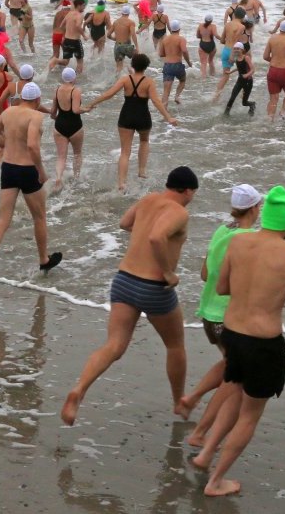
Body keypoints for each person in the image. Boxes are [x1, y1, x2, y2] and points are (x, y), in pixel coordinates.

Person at [191, 187, 285, 497]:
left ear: (266, 215)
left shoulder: (239, 242)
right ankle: (216, 480)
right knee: (249, 414)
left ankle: (206, 455)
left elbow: (220, 286)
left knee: (233, 392)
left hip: (232, 335)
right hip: (263, 345)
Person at [61, 166, 200, 426]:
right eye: (193, 193)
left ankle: (79, 390)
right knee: (175, 345)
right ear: (188, 190)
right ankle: (179, 402)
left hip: (124, 281)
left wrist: (144, 232)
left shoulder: (148, 199)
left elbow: (125, 223)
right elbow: (157, 238)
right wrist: (168, 272)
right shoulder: (179, 212)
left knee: (113, 346)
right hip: (154, 287)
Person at [180, 184, 263, 448]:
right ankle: (201, 431)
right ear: (253, 208)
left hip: (208, 313)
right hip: (228, 318)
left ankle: (192, 398)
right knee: (236, 375)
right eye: (259, 205)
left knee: (229, 363)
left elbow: (204, 274)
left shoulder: (221, 230)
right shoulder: (249, 239)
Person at [0, 82, 63, 287]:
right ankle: (44, 260)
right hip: (27, 170)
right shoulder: (35, 116)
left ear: (22, 97)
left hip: (8, 168)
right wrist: (41, 171)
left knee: (3, 219)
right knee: (39, 217)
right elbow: (33, 146)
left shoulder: (8, 112)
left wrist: (9, 146)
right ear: (38, 99)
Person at [84, 53, 178, 191]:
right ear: (146, 67)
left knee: (125, 152)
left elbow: (109, 93)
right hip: (143, 117)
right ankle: (141, 171)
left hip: (126, 116)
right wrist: (168, 117)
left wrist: (92, 103)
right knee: (144, 141)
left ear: (133, 65)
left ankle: (122, 182)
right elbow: (156, 101)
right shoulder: (149, 82)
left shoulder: (125, 80)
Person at [51, 67, 84, 190]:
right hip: (75, 126)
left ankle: (58, 178)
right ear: (73, 78)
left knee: (61, 157)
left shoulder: (57, 90)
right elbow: (76, 110)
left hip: (59, 126)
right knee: (77, 154)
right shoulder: (76, 90)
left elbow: (53, 113)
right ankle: (76, 178)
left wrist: (57, 120)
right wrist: (86, 109)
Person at [157, 19, 192, 106]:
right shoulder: (181, 39)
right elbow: (184, 50)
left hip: (168, 66)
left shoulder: (165, 39)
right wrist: (189, 62)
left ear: (171, 29)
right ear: (179, 29)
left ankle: (164, 115)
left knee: (166, 92)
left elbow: (161, 54)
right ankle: (177, 96)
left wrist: (169, 53)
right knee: (182, 80)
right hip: (177, 65)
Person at [224, 42, 257, 115]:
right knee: (232, 97)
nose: (236, 50)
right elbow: (239, 68)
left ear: (242, 49)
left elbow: (253, 69)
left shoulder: (246, 57)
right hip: (240, 80)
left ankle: (252, 104)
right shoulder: (236, 58)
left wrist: (247, 75)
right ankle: (226, 114)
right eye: (235, 49)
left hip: (248, 82)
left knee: (244, 103)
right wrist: (230, 72)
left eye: (238, 49)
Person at [107, 6, 138, 77]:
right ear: (129, 13)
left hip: (117, 46)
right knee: (137, 60)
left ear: (122, 13)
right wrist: (137, 47)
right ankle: (135, 78)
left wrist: (114, 39)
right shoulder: (131, 22)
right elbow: (133, 34)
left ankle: (118, 81)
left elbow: (108, 35)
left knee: (119, 67)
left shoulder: (115, 22)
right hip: (126, 46)